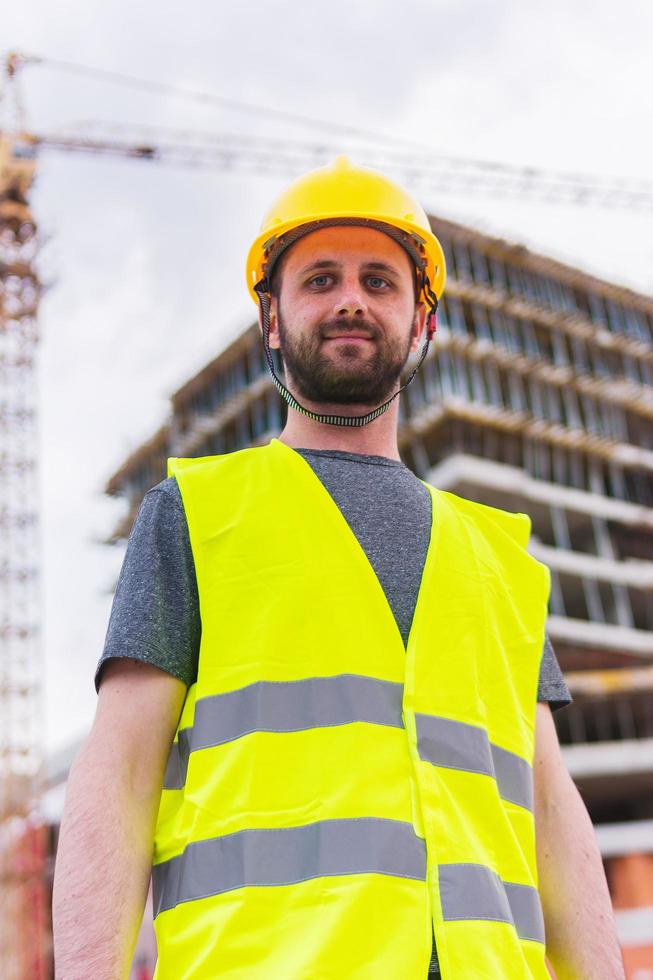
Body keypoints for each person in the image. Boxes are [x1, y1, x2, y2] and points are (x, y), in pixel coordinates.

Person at [52, 158, 624, 979]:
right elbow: (118, 777)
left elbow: (551, 813)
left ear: (422, 324)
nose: (351, 298)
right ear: (273, 321)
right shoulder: (195, 515)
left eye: (380, 282)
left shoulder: (498, 556)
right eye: (320, 279)